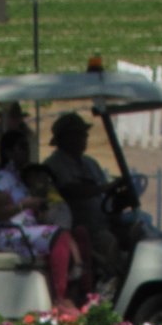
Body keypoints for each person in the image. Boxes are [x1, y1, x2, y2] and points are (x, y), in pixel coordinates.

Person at [0, 132, 86, 311]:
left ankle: (79, 294)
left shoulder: (18, 178)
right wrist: (25, 205)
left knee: (78, 235)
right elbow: (1, 213)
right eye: (22, 147)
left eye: (27, 147)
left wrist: (37, 208)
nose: (27, 151)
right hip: (9, 233)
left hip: (25, 230)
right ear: (9, 152)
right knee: (58, 235)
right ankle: (60, 299)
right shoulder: (1, 178)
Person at [46, 112, 125, 291]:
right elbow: (71, 190)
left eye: (84, 134)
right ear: (64, 138)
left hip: (102, 220)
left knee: (135, 231)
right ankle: (108, 285)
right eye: (79, 134)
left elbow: (102, 190)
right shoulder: (55, 164)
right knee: (108, 241)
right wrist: (104, 188)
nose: (84, 138)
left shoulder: (90, 163)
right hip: (78, 225)